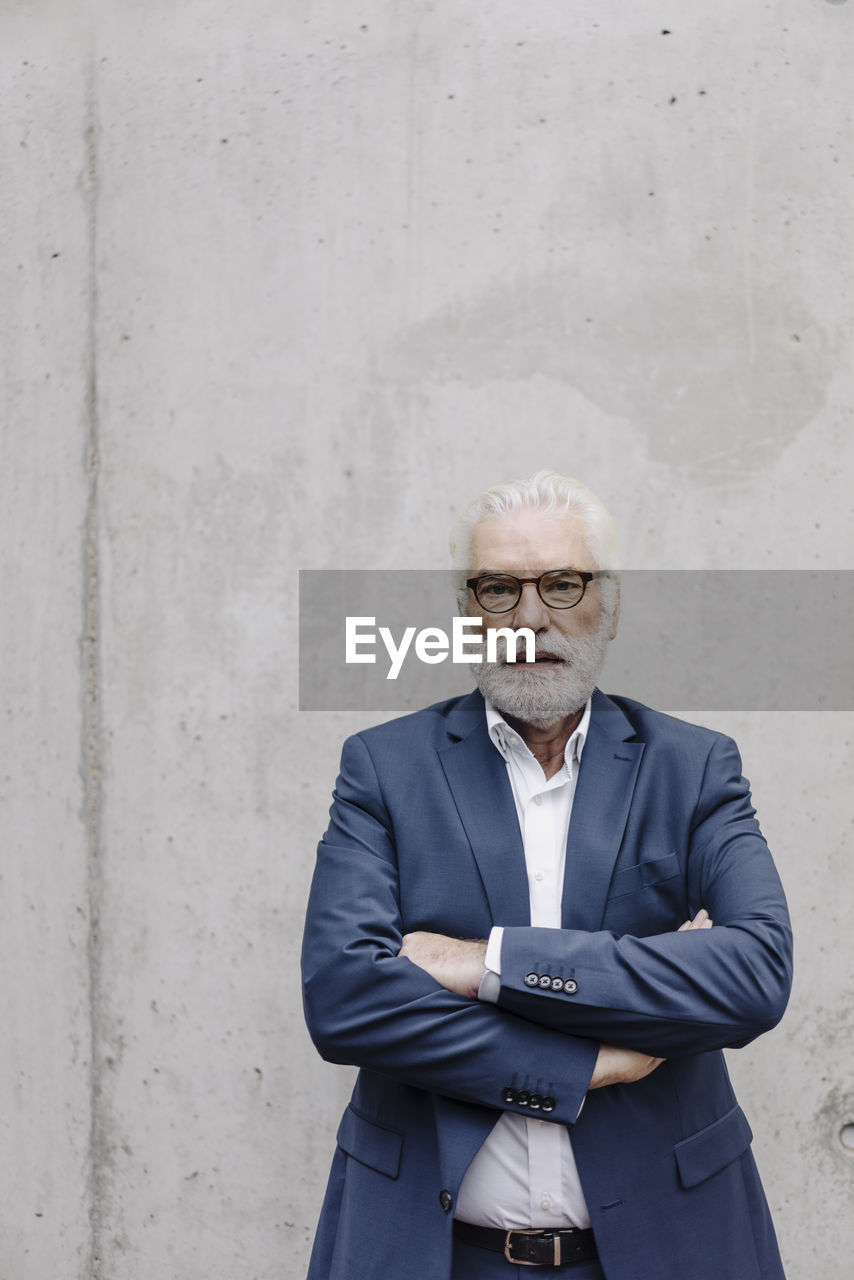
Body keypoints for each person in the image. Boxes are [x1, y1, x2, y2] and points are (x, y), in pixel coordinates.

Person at [301, 471, 792, 1279]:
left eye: (562, 584)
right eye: (499, 589)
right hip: (436, 1252)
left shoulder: (693, 769)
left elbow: (754, 975)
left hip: (668, 1247)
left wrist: (483, 963)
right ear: (467, 611)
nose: (530, 617)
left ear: (611, 603)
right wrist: (595, 1060)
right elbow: (343, 1000)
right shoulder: (383, 769)